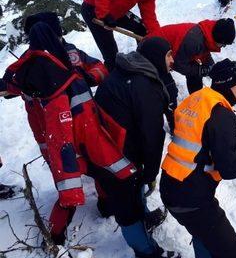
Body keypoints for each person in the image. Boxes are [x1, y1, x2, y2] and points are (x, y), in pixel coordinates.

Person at [1, 15, 137, 245]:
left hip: (86, 127)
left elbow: (100, 68)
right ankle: (54, 237)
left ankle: (106, 207)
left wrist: (88, 76)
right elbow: (10, 86)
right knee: (68, 184)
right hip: (57, 137)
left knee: (100, 170)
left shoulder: (71, 53)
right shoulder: (28, 65)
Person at [160, 59, 236, 258]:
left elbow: (202, 138)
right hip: (192, 199)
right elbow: (229, 169)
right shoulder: (222, 114)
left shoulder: (199, 98)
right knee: (233, 252)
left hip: (172, 186)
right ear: (228, 85)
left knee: (204, 235)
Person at [94, 37, 180, 258]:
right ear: (155, 58)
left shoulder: (131, 71)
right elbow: (152, 136)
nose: (173, 59)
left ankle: (143, 216)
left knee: (134, 191)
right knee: (128, 209)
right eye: (169, 55)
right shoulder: (144, 87)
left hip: (115, 146)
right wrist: (151, 173)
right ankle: (147, 252)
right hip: (116, 159)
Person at [82, 0, 180, 70]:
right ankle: (114, 81)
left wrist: (158, 39)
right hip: (95, 9)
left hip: (116, 12)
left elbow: (149, 16)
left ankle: (146, 62)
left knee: (143, 29)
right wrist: (104, 14)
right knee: (111, 54)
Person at [147, 18, 236, 94]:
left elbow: (204, 53)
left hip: (170, 53)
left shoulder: (206, 34)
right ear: (219, 39)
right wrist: (200, 70)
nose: (223, 47)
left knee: (196, 73)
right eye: (224, 44)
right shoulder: (193, 41)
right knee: (170, 91)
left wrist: (212, 67)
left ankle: (196, 99)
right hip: (150, 52)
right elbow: (178, 65)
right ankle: (173, 112)